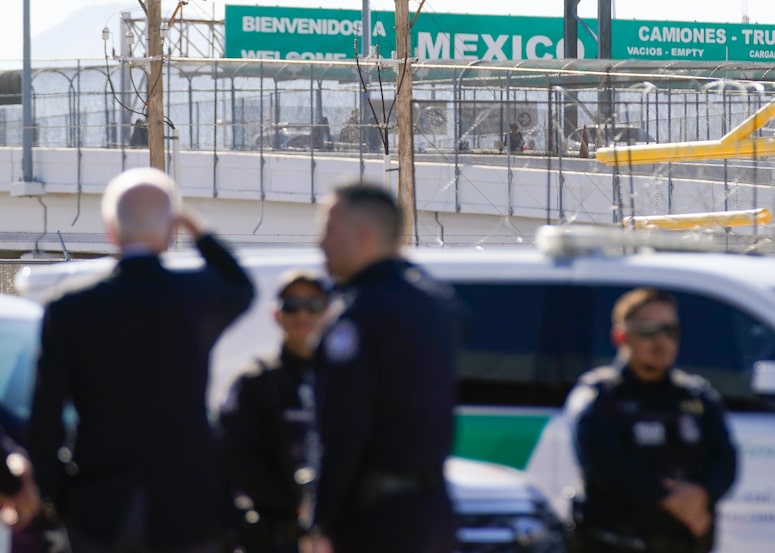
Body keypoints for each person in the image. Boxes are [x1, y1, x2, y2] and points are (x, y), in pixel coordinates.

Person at [27, 167, 255, 553]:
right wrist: (197, 228)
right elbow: (241, 285)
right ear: (170, 232)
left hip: (99, 505)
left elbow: (44, 417)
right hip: (190, 504)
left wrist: (55, 498)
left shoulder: (70, 310)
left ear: (110, 231)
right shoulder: (195, 296)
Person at [310, 183, 459, 553]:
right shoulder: (437, 305)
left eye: (329, 230)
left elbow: (343, 430)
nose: (319, 242)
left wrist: (319, 521)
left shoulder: (361, 316)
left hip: (374, 522)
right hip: (431, 514)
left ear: (362, 237)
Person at [565, 288, 737, 553]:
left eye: (670, 330)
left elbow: (726, 460)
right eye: (648, 330)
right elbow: (608, 467)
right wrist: (671, 499)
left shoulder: (697, 397)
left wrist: (701, 495)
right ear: (621, 336)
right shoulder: (600, 397)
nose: (661, 340)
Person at [219, 270, 330, 553]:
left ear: (328, 313)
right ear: (276, 314)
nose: (302, 314)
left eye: (313, 305)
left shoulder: (347, 379)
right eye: (291, 305)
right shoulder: (255, 380)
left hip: (335, 531)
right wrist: (295, 503)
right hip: (272, 533)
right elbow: (234, 458)